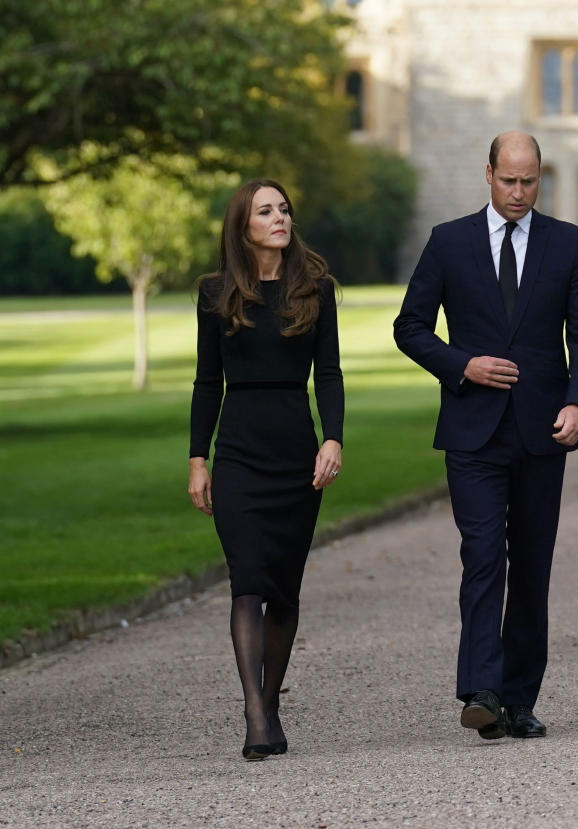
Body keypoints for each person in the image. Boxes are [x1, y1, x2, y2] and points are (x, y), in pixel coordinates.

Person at [394, 132, 578, 741]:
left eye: (530, 181)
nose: (518, 193)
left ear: (541, 178)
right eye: (509, 180)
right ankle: (481, 689)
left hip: (543, 431)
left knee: (532, 568)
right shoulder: (449, 241)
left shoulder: (567, 243)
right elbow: (409, 327)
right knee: (483, 556)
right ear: (488, 174)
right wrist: (463, 365)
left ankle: (518, 699)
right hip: (473, 431)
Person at [187, 179, 344, 759]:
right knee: (247, 581)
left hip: (296, 455)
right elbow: (207, 382)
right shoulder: (215, 293)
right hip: (239, 455)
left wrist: (333, 439)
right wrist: (197, 458)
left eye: (284, 208)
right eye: (266, 210)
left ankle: (269, 702)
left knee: (283, 588)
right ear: (243, 225)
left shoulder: (316, 289)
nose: (280, 217)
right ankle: (256, 715)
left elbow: (328, 373)